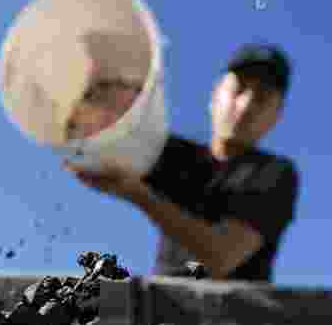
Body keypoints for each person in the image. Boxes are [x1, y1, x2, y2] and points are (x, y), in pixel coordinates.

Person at [64, 43, 300, 281]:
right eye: (238, 89)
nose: (246, 105)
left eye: (261, 98)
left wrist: (137, 193)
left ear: (277, 115)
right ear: (215, 95)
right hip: (163, 310)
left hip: (235, 315)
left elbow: (221, 256)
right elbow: (113, 130)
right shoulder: (175, 156)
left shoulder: (276, 173)